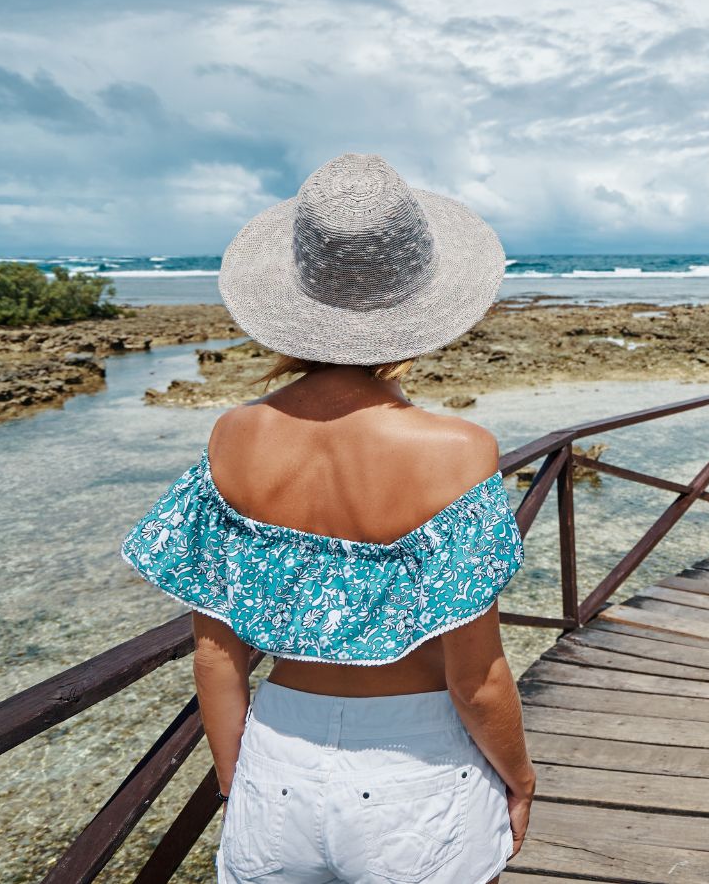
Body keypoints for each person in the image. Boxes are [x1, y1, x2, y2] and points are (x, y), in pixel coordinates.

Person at [122, 153, 531, 884]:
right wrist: (520, 780)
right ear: (424, 307)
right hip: (418, 770)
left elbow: (218, 655)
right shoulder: (458, 451)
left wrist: (235, 786)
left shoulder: (231, 437)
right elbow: (477, 679)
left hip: (276, 755)